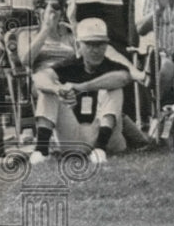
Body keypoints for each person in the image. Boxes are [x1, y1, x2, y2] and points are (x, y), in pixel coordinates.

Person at [29, 17, 130, 164]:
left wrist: (82, 87)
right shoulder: (70, 65)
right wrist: (57, 89)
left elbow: (123, 78)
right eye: (89, 44)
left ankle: (100, 149)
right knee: (48, 91)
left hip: (106, 138)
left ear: (106, 45)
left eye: (100, 44)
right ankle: (41, 150)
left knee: (114, 89)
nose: (95, 50)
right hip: (74, 136)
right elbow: (39, 78)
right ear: (78, 45)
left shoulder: (113, 66)